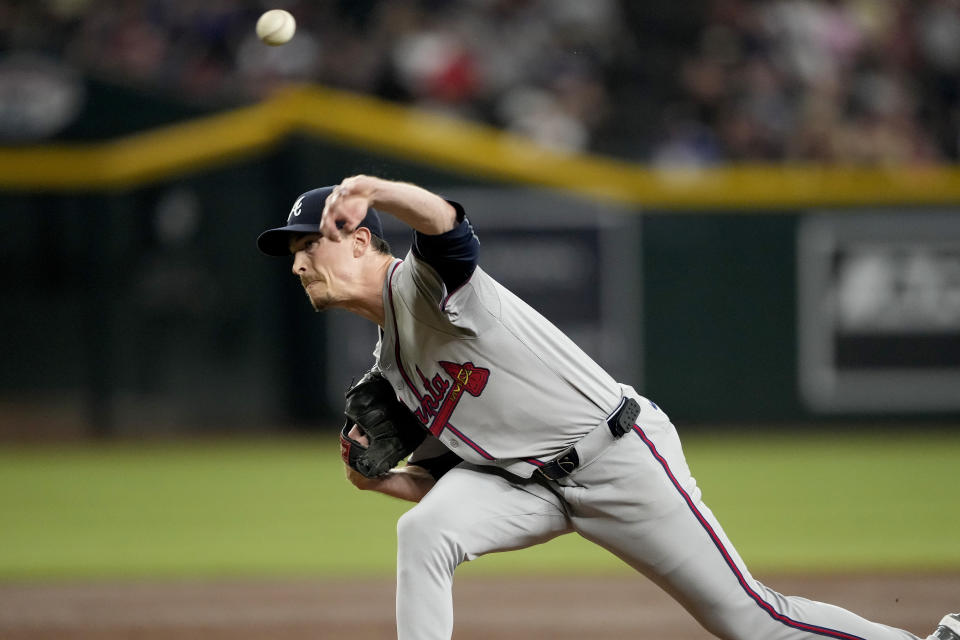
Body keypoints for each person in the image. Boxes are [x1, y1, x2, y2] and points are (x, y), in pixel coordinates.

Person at [258, 175, 958, 640]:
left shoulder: (422, 285)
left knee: (750, 621)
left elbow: (446, 226)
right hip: (527, 486)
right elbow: (446, 481)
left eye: (307, 244)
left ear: (357, 238)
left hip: (618, 456)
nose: (297, 264)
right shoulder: (392, 372)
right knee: (424, 531)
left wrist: (373, 188)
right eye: (289, 254)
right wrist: (386, 482)